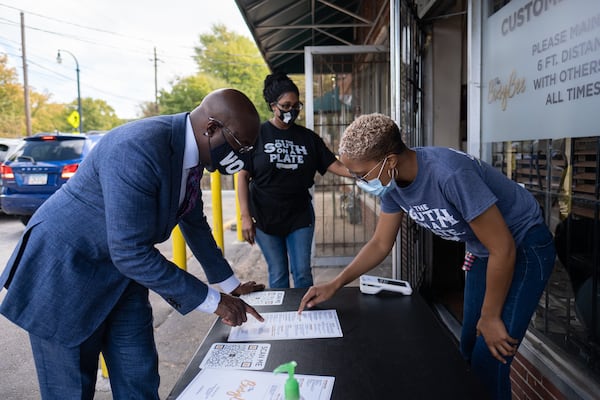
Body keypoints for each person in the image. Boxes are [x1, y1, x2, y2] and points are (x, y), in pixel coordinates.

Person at [0, 88, 266, 399]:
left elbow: (192, 221)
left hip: (121, 278)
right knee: (71, 390)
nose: (243, 156)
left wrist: (230, 286)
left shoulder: (191, 155)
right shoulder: (139, 147)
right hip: (65, 273)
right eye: (240, 145)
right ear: (211, 128)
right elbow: (130, 251)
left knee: (139, 380)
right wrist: (215, 302)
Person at [298, 113, 556, 400]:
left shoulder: (449, 174)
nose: (358, 181)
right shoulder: (392, 183)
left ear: (390, 161)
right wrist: (336, 283)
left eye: (361, 174)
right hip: (485, 249)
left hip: (523, 246)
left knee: (490, 357)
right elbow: (381, 243)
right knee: (469, 344)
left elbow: (504, 248)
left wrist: (491, 316)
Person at [237, 72, 350, 289]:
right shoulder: (256, 135)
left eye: (296, 105)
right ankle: (283, 320)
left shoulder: (308, 138)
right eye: (286, 106)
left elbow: (333, 165)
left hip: (299, 216)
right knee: (278, 275)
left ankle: (305, 317)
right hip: (264, 217)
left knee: (302, 274)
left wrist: (362, 173)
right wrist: (245, 217)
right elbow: (242, 175)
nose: (292, 111)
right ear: (273, 106)